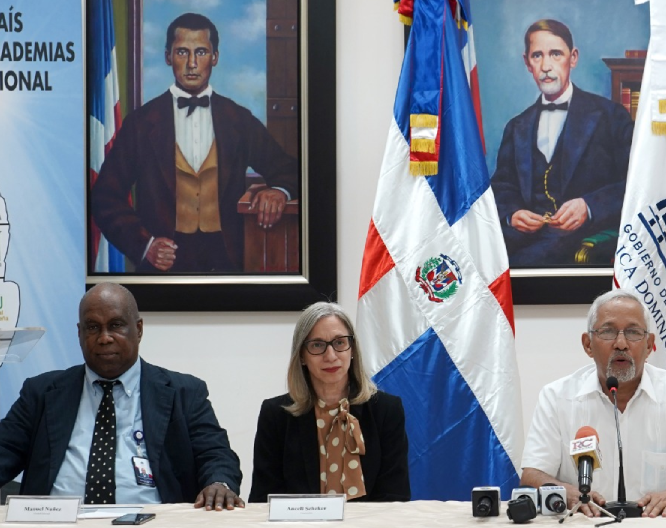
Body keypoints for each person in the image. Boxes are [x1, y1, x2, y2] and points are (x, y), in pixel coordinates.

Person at [0, 283, 243, 509]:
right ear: (79, 333)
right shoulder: (42, 392)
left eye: (116, 325)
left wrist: (219, 483)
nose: (104, 338)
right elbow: (4, 450)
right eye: (93, 327)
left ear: (138, 329)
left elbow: (215, 454)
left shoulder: (184, 392)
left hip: (152, 522)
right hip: (57, 521)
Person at [91, 13, 299, 272]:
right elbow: (104, 197)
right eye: (181, 52)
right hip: (164, 268)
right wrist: (145, 245)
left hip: (228, 262)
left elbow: (290, 169)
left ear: (215, 58)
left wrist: (280, 191)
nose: (191, 63)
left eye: (200, 52)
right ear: (168, 57)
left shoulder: (238, 119)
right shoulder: (141, 123)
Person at [520, 290, 666, 517]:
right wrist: (563, 491)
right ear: (588, 344)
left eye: (633, 332)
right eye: (607, 332)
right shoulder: (556, 397)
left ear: (649, 346)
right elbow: (531, 477)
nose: (621, 344)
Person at [489, 19, 633, 267]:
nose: (546, 66)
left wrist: (588, 206)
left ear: (573, 58)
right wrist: (512, 214)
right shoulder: (516, 126)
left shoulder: (610, 116)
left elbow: (635, 183)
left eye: (555, 54)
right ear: (527, 63)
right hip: (524, 238)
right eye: (537, 56)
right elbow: (502, 186)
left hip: (585, 238)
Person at [250, 302, 410, 502]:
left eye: (339, 343)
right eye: (317, 345)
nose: (331, 356)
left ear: (352, 350)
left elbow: (394, 497)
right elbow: (264, 499)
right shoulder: (275, 415)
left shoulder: (387, 411)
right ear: (301, 356)